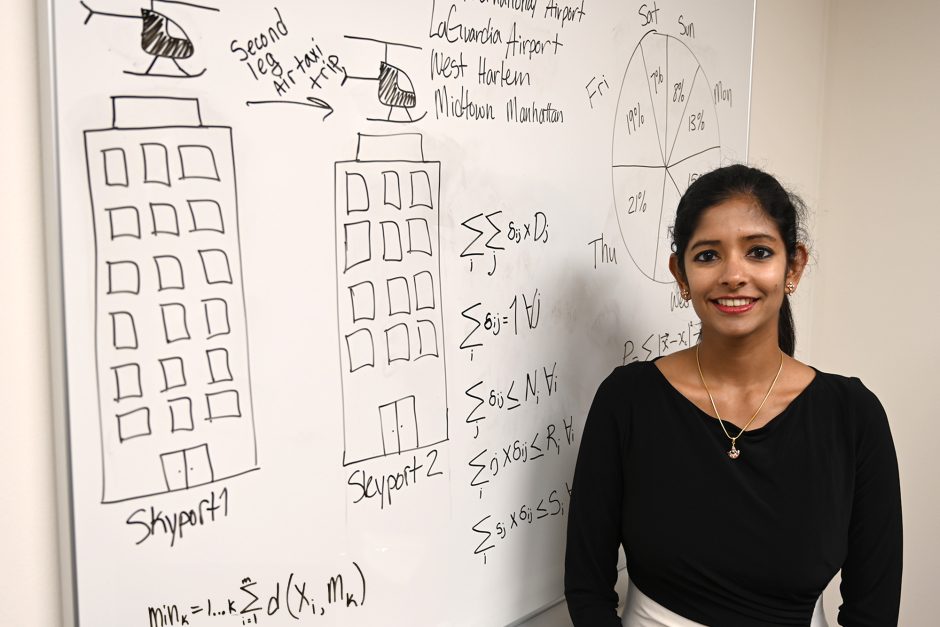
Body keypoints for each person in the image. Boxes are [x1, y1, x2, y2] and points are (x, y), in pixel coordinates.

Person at [564, 165, 902, 626]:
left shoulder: (853, 416)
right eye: (707, 256)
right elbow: (587, 585)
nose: (733, 275)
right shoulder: (627, 401)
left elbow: (873, 609)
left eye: (758, 252)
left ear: (793, 266)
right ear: (680, 274)